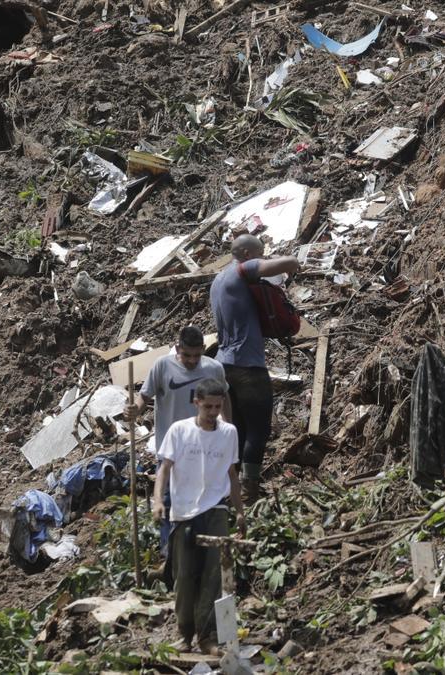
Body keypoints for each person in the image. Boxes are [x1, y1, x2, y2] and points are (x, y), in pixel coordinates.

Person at [152, 379, 244, 655]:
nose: (213, 411)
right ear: (196, 403)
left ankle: (208, 636)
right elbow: (164, 469)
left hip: (216, 509)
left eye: (217, 406)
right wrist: (159, 501)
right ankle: (184, 634)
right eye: (208, 406)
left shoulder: (229, 433)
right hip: (183, 512)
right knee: (185, 576)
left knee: (214, 575)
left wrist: (240, 511)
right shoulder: (180, 431)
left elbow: (232, 474)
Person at [126, 326, 230, 561]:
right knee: (171, 501)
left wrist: (228, 428)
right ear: (177, 348)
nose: (192, 361)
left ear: (204, 349)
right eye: (187, 355)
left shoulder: (214, 369)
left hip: (205, 446)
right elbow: (144, 397)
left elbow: (225, 398)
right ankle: (169, 554)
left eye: (197, 355)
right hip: (171, 447)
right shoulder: (162, 366)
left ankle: (201, 550)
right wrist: (134, 411)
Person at [210, 234, 300, 502]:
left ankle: (229, 487)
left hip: (224, 363)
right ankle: (249, 489)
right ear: (247, 254)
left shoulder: (217, 281)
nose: (260, 259)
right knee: (258, 429)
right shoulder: (242, 269)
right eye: (259, 254)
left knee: (236, 428)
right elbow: (285, 263)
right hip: (247, 365)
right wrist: (293, 262)